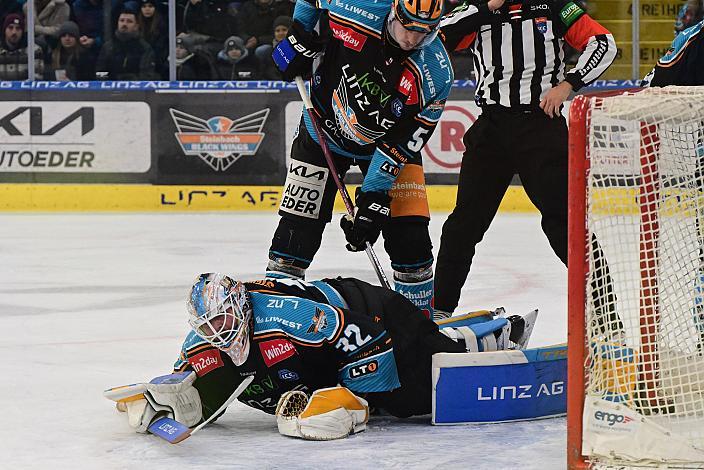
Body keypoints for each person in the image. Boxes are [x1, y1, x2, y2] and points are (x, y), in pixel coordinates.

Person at [109, 273, 536, 439]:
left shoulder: (287, 318)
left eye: (224, 321)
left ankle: (486, 332)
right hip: (327, 352)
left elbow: (367, 341)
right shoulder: (202, 342)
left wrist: (360, 400)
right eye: (208, 327)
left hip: (365, 312)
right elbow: (191, 384)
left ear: (241, 307)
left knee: (415, 395)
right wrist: (161, 400)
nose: (218, 334)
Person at [267, 0, 454, 320]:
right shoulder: (358, 6)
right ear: (393, 12)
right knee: (296, 233)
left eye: (424, 33)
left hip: (386, 146)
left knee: (411, 239)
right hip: (321, 131)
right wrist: (299, 36)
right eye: (406, 27)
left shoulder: (435, 74)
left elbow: (399, 146)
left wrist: (373, 200)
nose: (411, 39)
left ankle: (418, 323)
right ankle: (275, 311)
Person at [433, 0, 618, 319]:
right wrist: (485, 7)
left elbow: (603, 43)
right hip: (492, 126)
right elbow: (436, 37)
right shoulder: (478, 10)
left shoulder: (555, 5)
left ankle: (605, 317)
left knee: (565, 224)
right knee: (462, 226)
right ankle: (439, 313)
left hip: (540, 126)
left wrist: (569, 84)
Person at [95, 9, 158, 80]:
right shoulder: (108, 46)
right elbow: (100, 71)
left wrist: (130, 81)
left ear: (136, 26)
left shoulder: (145, 48)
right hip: (110, 89)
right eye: (121, 20)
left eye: (129, 21)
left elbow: (146, 74)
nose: (124, 24)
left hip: (136, 89)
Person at [642, 18, 704, 87]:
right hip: (664, 76)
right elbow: (669, 55)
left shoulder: (681, 38)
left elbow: (669, 55)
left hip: (660, 76)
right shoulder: (680, 40)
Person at [236, 0, 292, 73]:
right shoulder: (247, 6)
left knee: (262, 50)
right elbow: (240, 28)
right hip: (249, 42)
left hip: (268, 41)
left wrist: (259, 40)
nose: (281, 33)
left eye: (284, 30)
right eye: (278, 31)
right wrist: (247, 38)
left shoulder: (279, 8)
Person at [0, 13, 45, 80]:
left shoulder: (34, 51)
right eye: (10, 27)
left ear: (23, 31)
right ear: (4, 30)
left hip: (25, 90)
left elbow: (37, 78)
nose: (14, 32)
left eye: (18, 28)